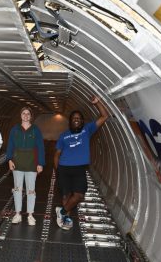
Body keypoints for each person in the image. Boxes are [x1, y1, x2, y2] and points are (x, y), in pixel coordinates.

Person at [53, 95, 109, 230]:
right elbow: (57, 154)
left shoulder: (87, 130)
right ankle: (66, 218)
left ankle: (61, 212)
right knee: (66, 196)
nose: (76, 120)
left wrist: (97, 103)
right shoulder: (64, 135)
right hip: (64, 168)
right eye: (74, 118)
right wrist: (57, 171)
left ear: (82, 121)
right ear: (70, 121)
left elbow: (105, 116)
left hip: (79, 170)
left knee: (78, 195)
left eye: (78, 118)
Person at [6, 107, 45, 226]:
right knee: (17, 189)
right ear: (20, 115)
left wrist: (40, 163)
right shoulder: (15, 129)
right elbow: (10, 145)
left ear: (31, 116)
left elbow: (40, 147)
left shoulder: (35, 130)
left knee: (31, 190)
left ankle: (30, 215)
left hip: (31, 163)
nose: (26, 115)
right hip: (17, 162)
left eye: (28, 114)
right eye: (24, 113)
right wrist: (9, 159)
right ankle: (17, 214)